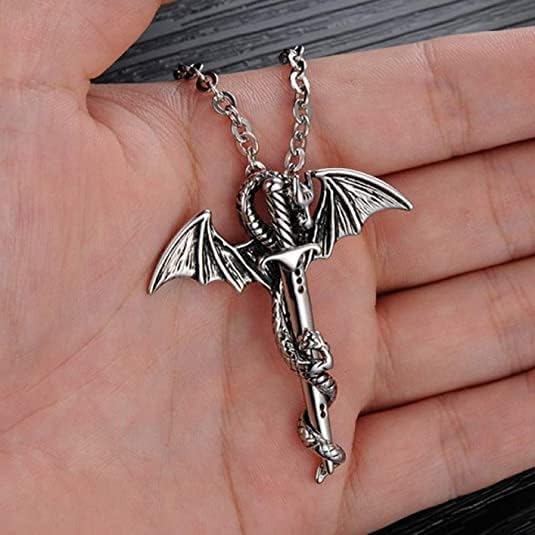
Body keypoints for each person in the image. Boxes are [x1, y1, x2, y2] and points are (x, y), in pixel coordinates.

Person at [1, 1, 534, 533]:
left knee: (314, 366)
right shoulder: (239, 240)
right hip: (278, 273)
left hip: (290, 265)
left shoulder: (315, 211)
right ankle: (322, 440)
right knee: (309, 364)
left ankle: (324, 437)